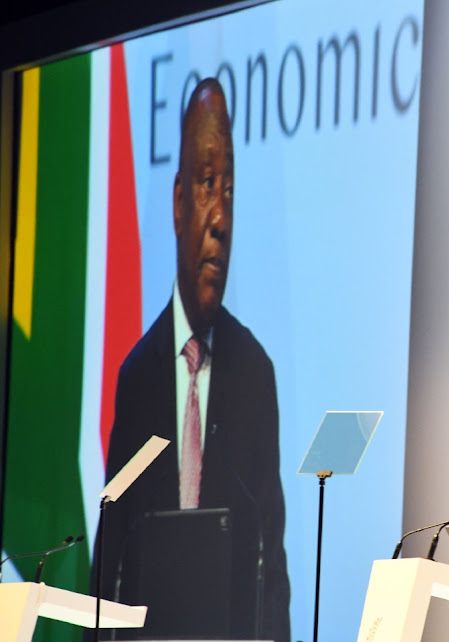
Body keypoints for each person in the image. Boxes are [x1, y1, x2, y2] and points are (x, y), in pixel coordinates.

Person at [92, 78, 290, 641]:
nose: (221, 219)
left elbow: (271, 568)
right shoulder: (138, 376)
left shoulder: (256, 373)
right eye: (208, 185)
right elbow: (110, 554)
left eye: (230, 190)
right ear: (179, 204)